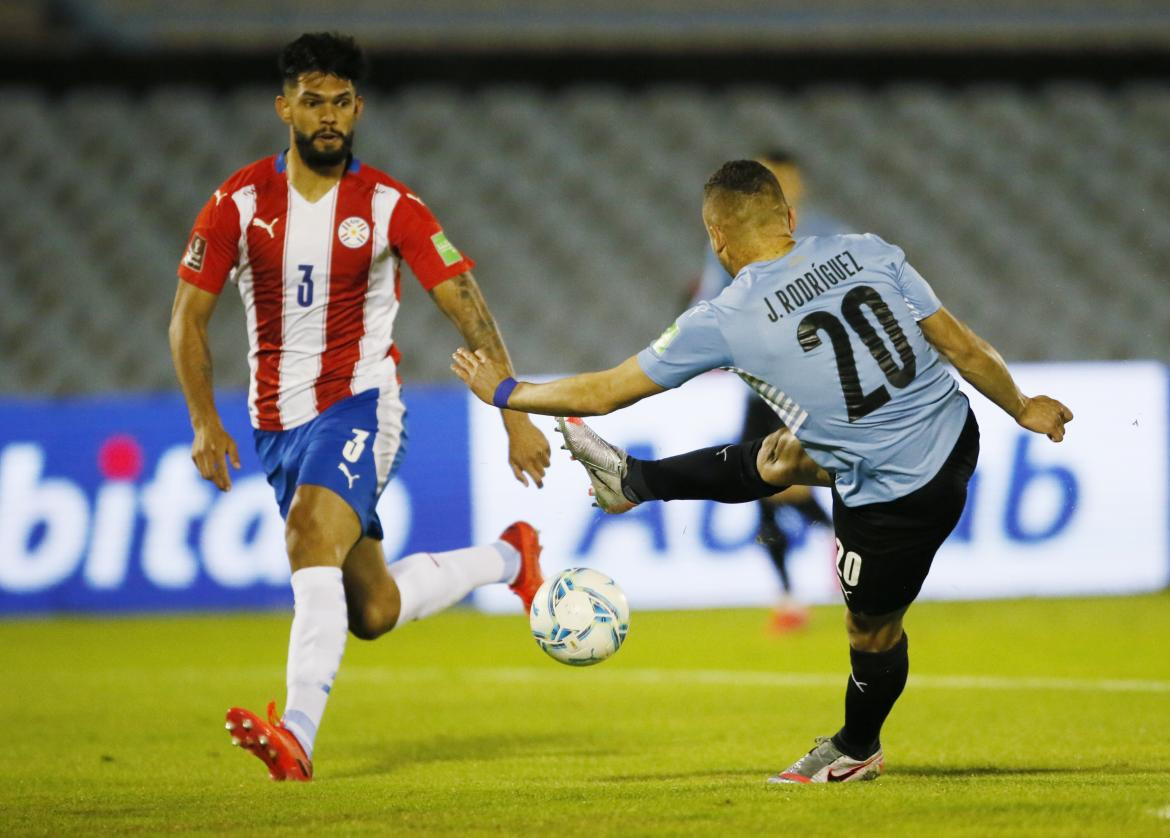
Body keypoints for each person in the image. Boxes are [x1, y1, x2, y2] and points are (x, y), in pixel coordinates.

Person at [451, 160, 1072, 784]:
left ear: (716, 238)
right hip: (956, 432)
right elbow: (962, 346)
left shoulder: (726, 318)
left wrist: (506, 390)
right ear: (791, 220)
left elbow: (605, 391)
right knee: (782, 454)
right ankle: (633, 481)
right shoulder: (869, 251)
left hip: (896, 496)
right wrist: (1022, 406)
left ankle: (858, 748)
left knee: (871, 630)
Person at [169, 33, 551, 782]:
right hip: (277, 426)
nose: (329, 116)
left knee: (310, 534)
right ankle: (511, 556)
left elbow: (467, 306)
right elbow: (187, 317)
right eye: (313, 100)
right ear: (285, 107)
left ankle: (298, 736)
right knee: (371, 610)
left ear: (359, 108)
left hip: (361, 407)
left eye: (342, 101)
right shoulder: (239, 202)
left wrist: (514, 411)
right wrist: (202, 419)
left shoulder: (389, 206)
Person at [690, 149, 847, 632]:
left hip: (814, 385)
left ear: (794, 189)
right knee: (761, 485)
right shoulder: (731, 241)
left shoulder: (827, 234)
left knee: (778, 480)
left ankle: (835, 545)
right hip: (762, 388)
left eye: (781, 180)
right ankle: (793, 591)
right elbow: (709, 300)